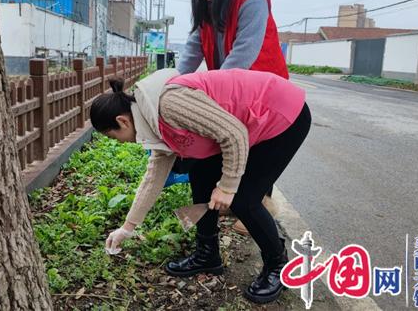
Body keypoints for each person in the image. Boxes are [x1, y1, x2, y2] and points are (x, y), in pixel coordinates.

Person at [90, 68, 311, 304]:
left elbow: (234, 135)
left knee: (245, 199)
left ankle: (277, 265)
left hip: (281, 115)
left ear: (122, 121)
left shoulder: (168, 105)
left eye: (114, 137)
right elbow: (153, 176)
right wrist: (128, 227)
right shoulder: (151, 120)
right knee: (201, 176)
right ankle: (208, 255)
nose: (120, 143)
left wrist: (227, 187)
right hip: (245, 124)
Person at [175, 0, 289, 232]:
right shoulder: (207, 4)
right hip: (231, 86)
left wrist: (215, 92)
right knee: (233, 143)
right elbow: (193, 48)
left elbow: (244, 53)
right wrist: (173, 84)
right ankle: (234, 202)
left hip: (263, 87)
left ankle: (259, 205)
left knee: (260, 145)